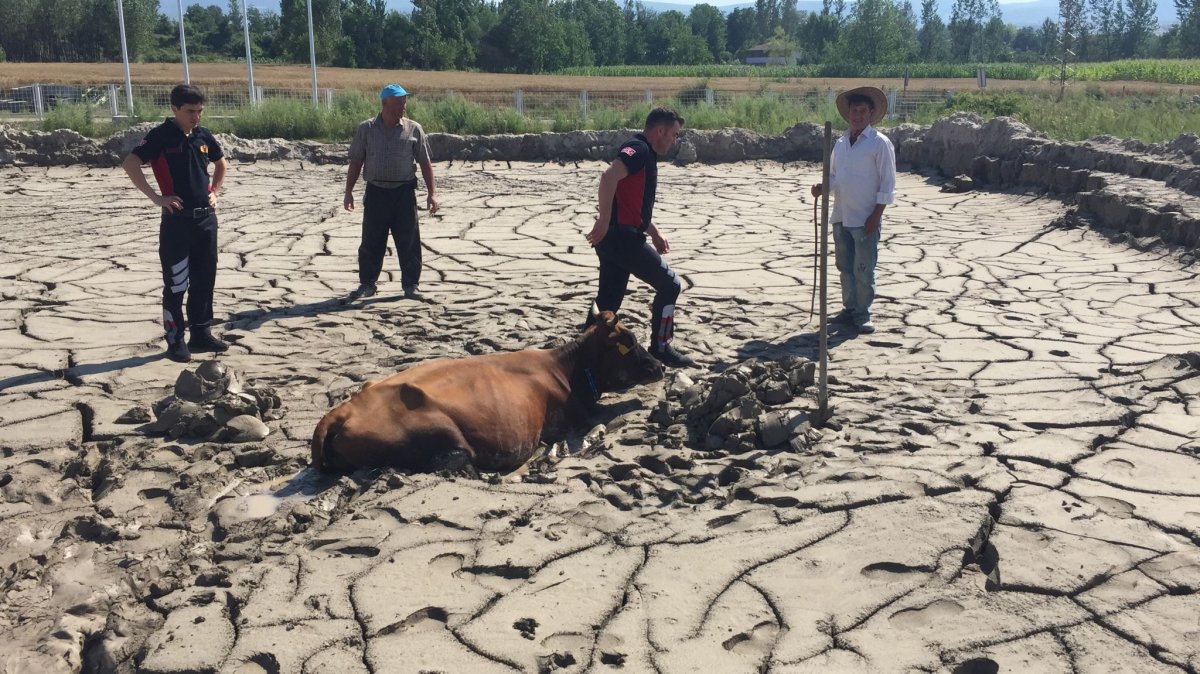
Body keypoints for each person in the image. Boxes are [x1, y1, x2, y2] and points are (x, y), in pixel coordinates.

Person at [122, 84, 229, 363]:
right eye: (190, 111)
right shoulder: (160, 136)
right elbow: (131, 163)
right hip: (177, 223)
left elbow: (221, 164)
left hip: (206, 220)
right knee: (176, 283)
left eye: (200, 111)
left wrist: (214, 192)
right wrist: (156, 197)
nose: (196, 117)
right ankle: (175, 339)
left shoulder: (203, 135)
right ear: (174, 109)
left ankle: (201, 334)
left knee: (204, 281)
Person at [585, 107, 694, 368]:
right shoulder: (640, 149)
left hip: (615, 240)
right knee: (671, 286)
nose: (675, 140)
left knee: (607, 303)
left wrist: (654, 232)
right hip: (623, 241)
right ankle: (661, 347)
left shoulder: (646, 155)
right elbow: (608, 176)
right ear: (660, 131)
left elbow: (632, 205)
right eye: (674, 134)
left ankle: (584, 353)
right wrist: (604, 219)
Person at [811, 86, 896, 334]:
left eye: (862, 111)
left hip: (865, 218)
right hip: (841, 216)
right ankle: (849, 310)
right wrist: (822, 188)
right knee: (844, 267)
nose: (857, 116)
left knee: (863, 269)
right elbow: (835, 177)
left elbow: (887, 183)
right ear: (848, 114)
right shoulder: (840, 143)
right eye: (853, 111)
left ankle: (863, 313)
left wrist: (876, 216)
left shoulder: (880, 144)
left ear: (870, 114)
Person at [344, 84, 438, 301]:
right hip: (376, 193)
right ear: (384, 103)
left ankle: (411, 285)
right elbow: (356, 161)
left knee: (409, 242)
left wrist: (432, 193)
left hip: (404, 194)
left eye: (404, 102)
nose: (403, 106)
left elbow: (425, 162)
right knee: (371, 241)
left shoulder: (414, 129)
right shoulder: (366, 129)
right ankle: (367, 284)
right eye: (398, 102)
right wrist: (348, 191)